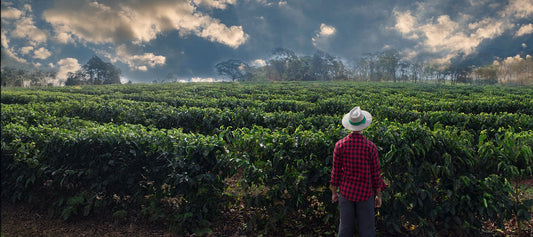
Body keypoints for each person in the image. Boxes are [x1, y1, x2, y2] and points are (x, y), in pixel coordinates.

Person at [330, 106, 386, 237]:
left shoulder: (340, 145)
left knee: (345, 228)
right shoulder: (370, 147)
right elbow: (375, 174)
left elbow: (335, 172)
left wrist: (334, 192)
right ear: (363, 125)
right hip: (365, 193)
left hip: (346, 192)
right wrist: (379, 195)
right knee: (367, 229)